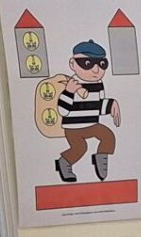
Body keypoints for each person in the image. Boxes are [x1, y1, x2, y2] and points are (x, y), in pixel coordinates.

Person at [54, 39, 121, 183]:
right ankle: (64, 162)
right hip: (73, 128)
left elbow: (97, 107)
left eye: (102, 64)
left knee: (108, 136)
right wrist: (69, 92)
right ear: (73, 64)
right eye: (87, 63)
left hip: (91, 124)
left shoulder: (98, 84)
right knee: (80, 148)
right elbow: (63, 111)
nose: (96, 70)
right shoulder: (71, 84)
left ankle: (101, 162)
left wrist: (111, 104)